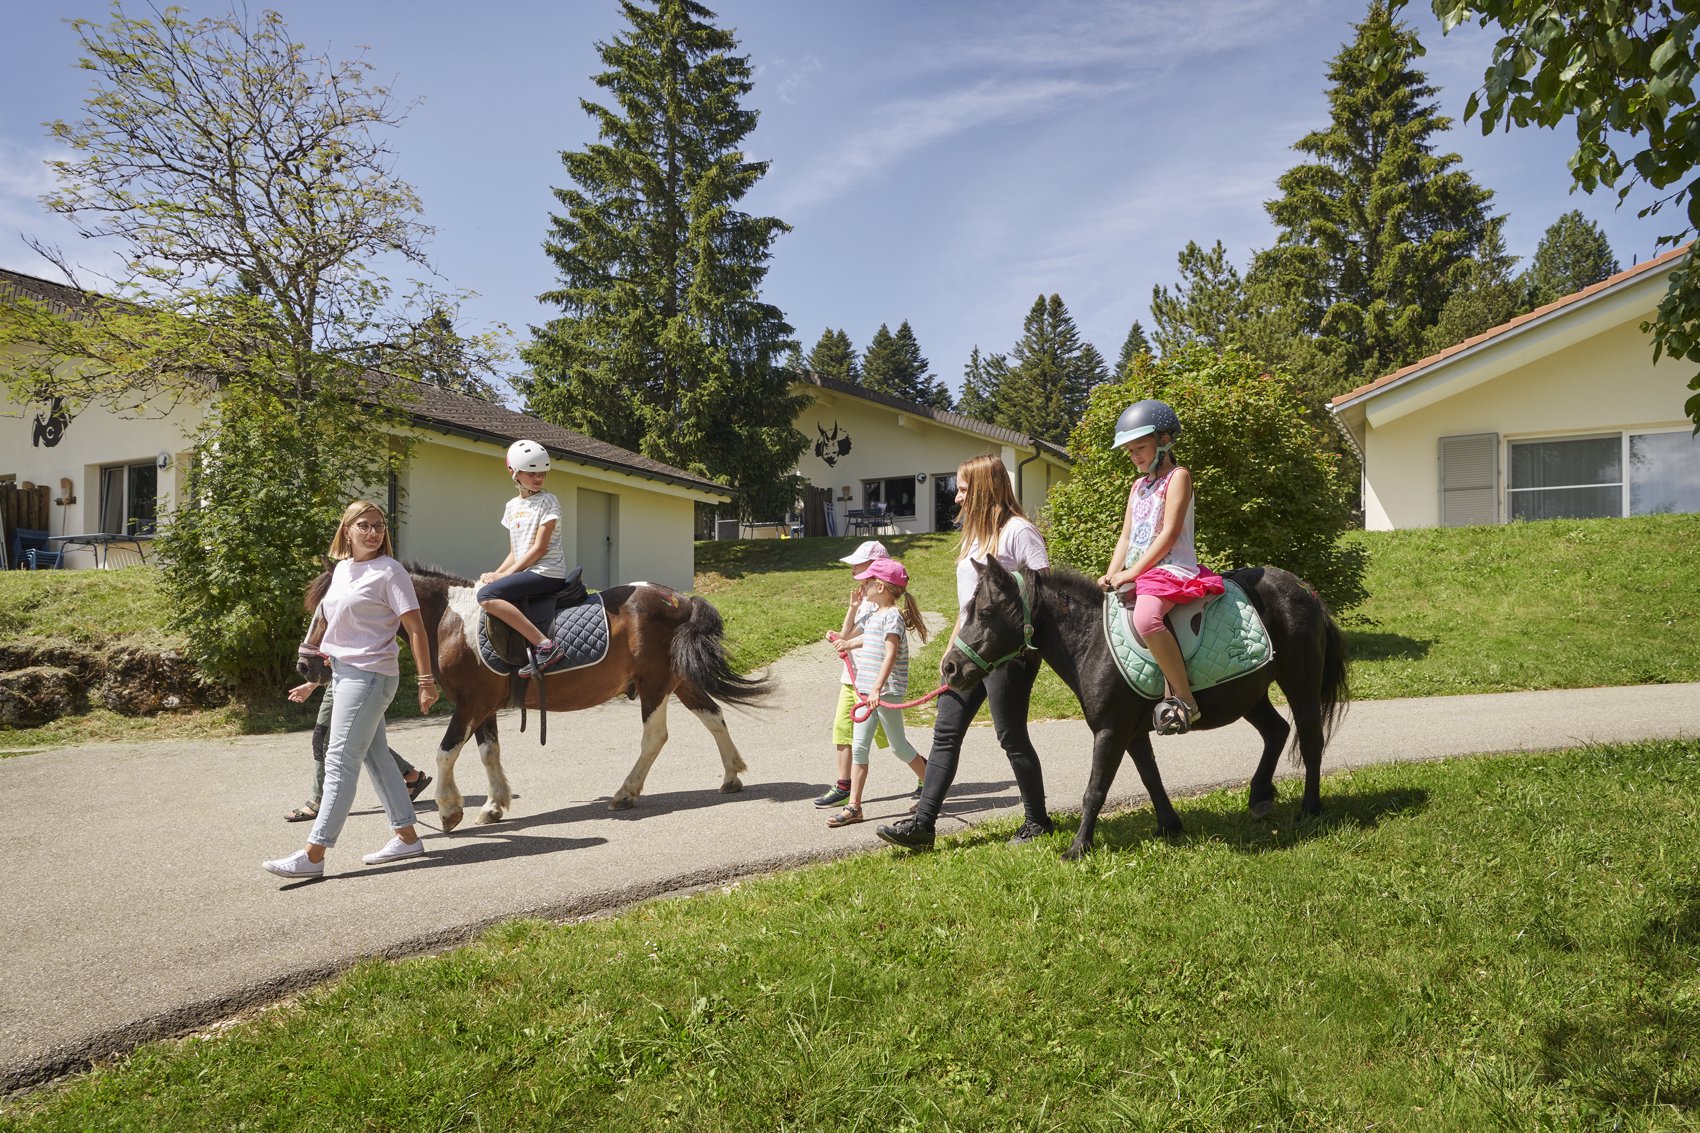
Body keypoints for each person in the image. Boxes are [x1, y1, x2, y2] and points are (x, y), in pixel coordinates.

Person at [876, 454, 1054, 850]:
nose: (956, 498)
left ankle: (1038, 821)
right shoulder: (973, 537)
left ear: (986, 490)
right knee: (945, 733)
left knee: (1010, 736)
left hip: (1007, 656)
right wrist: (951, 648)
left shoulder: (1019, 532)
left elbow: (1044, 592)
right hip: (968, 651)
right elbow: (967, 608)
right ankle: (923, 825)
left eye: (963, 489)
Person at [263, 501, 437, 878]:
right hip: (344, 673)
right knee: (377, 758)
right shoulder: (341, 570)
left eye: (378, 526)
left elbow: (417, 630)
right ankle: (407, 837)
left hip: (371, 676)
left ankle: (314, 854)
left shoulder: (391, 572)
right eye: (364, 525)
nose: (373, 532)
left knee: (340, 760)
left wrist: (426, 681)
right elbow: (335, 628)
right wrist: (315, 679)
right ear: (347, 530)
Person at [1094, 399, 1224, 735]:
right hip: (1140, 569)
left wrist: (1133, 573)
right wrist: (1112, 572)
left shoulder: (1178, 477)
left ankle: (1186, 700)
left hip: (1170, 570)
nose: (1135, 456)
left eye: (1140, 447)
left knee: (1146, 618)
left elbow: (1168, 535)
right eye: (1130, 451)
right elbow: (1126, 536)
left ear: (1164, 441)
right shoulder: (1137, 486)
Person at [823, 556, 929, 828]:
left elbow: (890, 654)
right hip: (867, 694)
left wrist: (878, 689)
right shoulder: (876, 615)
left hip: (884, 693)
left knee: (899, 747)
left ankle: (932, 789)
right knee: (859, 748)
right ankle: (854, 807)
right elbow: (867, 639)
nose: (864, 586)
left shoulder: (892, 616)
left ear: (881, 587)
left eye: (868, 582)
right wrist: (847, 644)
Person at [477, 439, 573, 675]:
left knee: (486, 596)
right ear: (513, 472)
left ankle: (546, 646)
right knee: (487, 585)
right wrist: (497, 573)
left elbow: (539, 549)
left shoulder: (549, 501)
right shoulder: (511, 506)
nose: (538, 478)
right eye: (531, 472)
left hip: (547, 573)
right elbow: (515, 552)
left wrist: (505, 576)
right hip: (526, 571)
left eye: (542, 472)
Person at [812, 540, 894, 811]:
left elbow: (874, 639)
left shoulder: (884, 605)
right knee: (843, 730)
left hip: (872, 682)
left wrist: (847, 643)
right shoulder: (864, 599)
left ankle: (925, 775)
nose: (853, 570)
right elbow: (846, 634)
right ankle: (843, 787)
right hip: (853, 679)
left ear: (875, 569)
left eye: (858, 565)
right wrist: (851, 609)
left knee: (896, 741)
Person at [282, 677, 430, 823]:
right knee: (363, 739)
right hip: (349, 679)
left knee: (323, 738)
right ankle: (411, 775)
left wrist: (311, 684)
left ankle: (319, 800)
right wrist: (311, 684)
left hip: (354, 679)